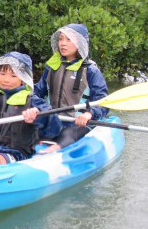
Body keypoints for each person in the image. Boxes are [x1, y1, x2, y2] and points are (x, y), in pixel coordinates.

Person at [33, 23, 109, 152]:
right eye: (61, 39)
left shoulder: (90, 70)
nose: (63, 43)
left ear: (80, 43)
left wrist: (89, 114)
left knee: (67, 135)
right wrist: (32, 106)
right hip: (53, 120)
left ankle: (51, 152)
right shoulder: (52, 67)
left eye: (69, 39)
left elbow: (103, 101)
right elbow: (37, 92)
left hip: (77, 123)